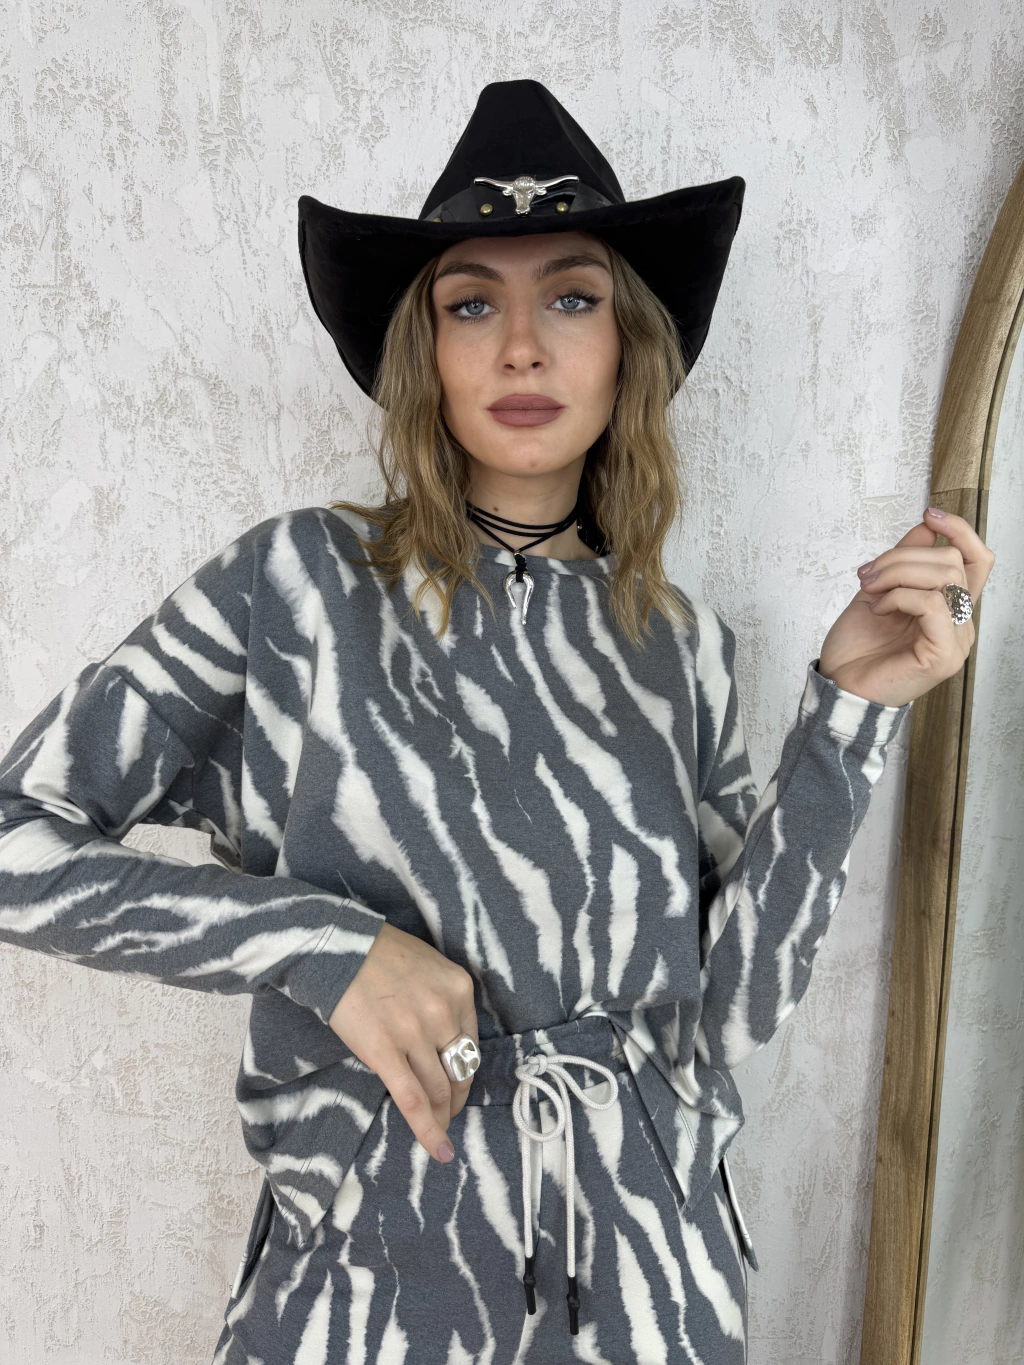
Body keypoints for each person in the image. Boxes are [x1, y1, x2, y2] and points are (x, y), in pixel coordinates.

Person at [0, 79, 993, 1365]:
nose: (522, 347)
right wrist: (322, 945)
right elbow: (18, 841)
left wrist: (849, 713)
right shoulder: (296, 584)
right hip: (371, 1285)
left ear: (629, 345)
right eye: (471, 304)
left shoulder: (680, 645)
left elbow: (730, 1015)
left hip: (651, 1284)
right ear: (425, 353)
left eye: (572, 299)